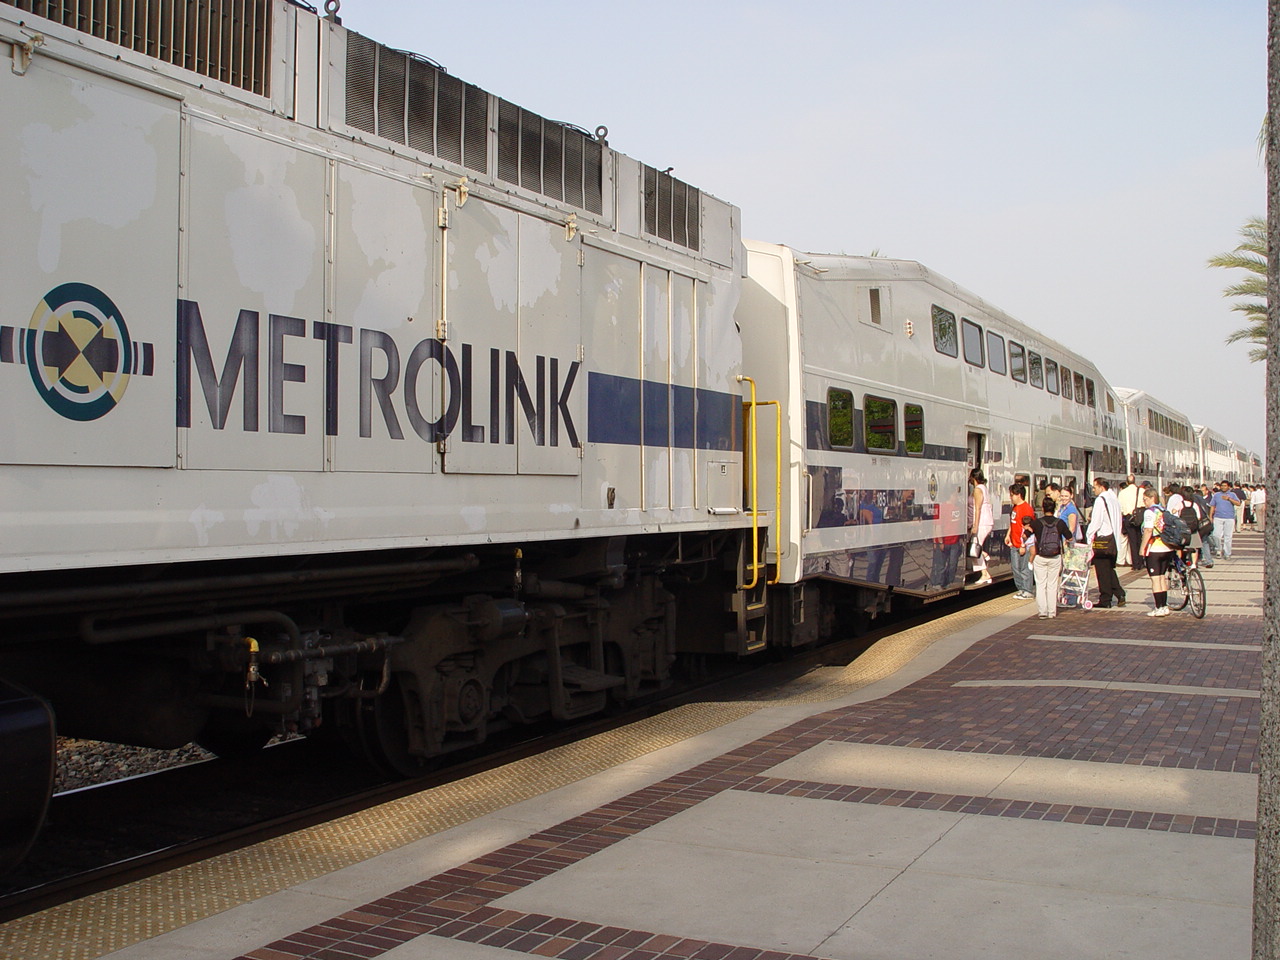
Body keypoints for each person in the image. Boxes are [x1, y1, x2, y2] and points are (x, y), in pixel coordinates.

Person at [1085, 477, 1125, 608]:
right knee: (1109, 569)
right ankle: (1119, 593)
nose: (1094, 490)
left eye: (1095, 487)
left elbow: (1096, 521)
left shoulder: (1100, 500)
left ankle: (1105, 599)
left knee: (1102, 570)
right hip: (1113, 539)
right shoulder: (1113, 498)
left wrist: (1089, 535)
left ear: (1101, 487)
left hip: (1103, 539)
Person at [1026, 501, 1071, 619]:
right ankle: (1052, 612)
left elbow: (1025, 535)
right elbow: (1070, 536)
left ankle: (1042, 612)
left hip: (1040, 557)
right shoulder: (1060, 523)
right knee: (1052, 585)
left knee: (1041, 585)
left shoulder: (1036, 523)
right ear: (1054, 508)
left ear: (1042, 508)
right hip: (1055, 557)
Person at [1139, 486, 1174, 617]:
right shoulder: (1163, 510)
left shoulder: (1149, 512)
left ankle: (1158, 607)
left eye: (1145, 499)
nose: (1144, 502)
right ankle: (1164, 606)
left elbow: (1148, 530)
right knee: (1162, 578)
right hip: (1167, 548)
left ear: (1152, 498)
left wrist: (1142, 548)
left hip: (1154, 548)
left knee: (1155, 579)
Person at [1004, 482, 1036, 600]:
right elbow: (1013, 524)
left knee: (1024, 568)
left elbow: (1027, 529)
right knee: (1015, 568)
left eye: (1012, 495)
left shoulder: (1026, 509)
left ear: (1019, 495)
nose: (1010, 497)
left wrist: (1023, 544)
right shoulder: (1015, 508)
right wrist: (1008, 535)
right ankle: (1021, 589)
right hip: (1014, 543)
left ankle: (1027, 590)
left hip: (1023, 545)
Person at [967, 468, 994, 588]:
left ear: (974, 477)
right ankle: (984, 556)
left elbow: (977, 509)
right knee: (975, 547)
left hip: (982, 522)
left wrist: (975, 525)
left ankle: (984, 574)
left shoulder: (978, 490)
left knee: (974, 549)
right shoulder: (984, 488)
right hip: (986, 521)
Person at [1210, 480, 1241, 559]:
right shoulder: (1216, 495)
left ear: (1228, 486)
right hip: (1218, 517)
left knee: (1228, 536)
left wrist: (1229, 499)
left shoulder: (1232, 494)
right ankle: (1218, 549)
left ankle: (1227, 552)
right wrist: (1210, 516)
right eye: (1222, 485)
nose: (1223, 487)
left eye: (1225, 486)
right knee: (1216, 535)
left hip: (1229, 517)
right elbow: (1212, 505)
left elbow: (1238, 503)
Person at [1117, 475, 1143, 570]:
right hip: (1139, 517)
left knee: (1132, 541)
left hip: (1128, 518)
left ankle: (1135, 564)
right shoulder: (1141, 491)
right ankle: (1141, 561)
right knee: (1140, 539)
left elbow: (1120, 508)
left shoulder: (1122, 493)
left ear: (1127, 482)